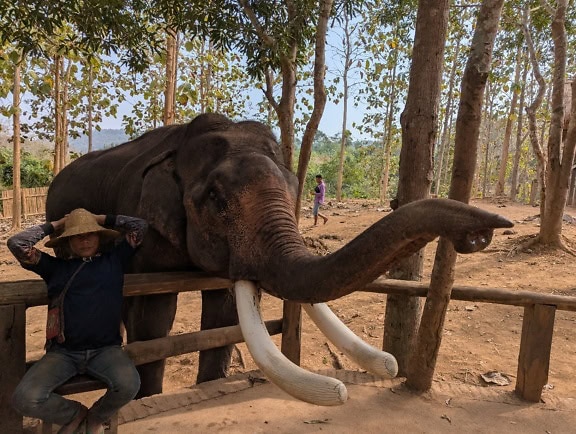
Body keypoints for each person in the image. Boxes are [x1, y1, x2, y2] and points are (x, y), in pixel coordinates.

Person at [7, 208, 148, 434]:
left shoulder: (115, 260)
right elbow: (17, 243)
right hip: (63, 354)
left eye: (90, 233)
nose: (84, 240)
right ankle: (75, 414)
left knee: (129, 385)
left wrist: (101, 219)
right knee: (24, 398)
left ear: (99, 237)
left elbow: (140, 227)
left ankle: (95, 417)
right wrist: (57, 224)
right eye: (77, 235)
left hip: (106, 351)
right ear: (68, 241)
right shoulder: (54, 268)